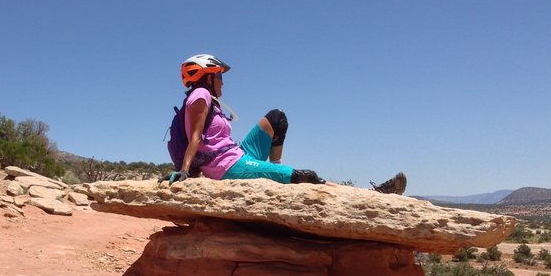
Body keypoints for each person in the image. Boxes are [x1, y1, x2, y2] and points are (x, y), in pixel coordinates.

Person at [169, 53, 407, 195]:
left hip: (237, 153)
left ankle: (278, 171)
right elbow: (196, 138)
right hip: (227, 166)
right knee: (307, 176)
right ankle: (368, 195)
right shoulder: (200, 95)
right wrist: (185, 171)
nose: (222, 81)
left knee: (276, 117)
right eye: (219, 75)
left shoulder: (208, 98)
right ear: (207, 76)